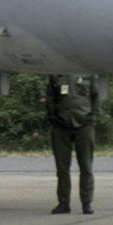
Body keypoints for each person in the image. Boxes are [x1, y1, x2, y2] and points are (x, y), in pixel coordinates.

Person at [48, 75, 97, 214]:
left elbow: (96, 96)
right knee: (62, 168)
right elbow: (50, 97)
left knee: (86, 167)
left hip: (84, 124)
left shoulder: (88, 71)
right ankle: (63, 203)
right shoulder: (56, 72)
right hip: (61, 125)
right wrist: (53, 119)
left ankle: (86, 203)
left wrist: (93, 118)